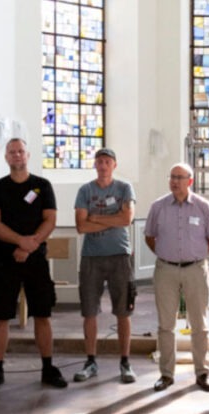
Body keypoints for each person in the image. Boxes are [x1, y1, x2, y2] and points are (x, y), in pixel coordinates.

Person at [0, 138, 68, 390]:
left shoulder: (42, 185)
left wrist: (31, 245)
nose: (16, 155)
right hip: (2, 262)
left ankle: (48, 367)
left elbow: (50, 219)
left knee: (43, 314)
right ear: (6, 157)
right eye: (11, 152)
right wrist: (21, 242)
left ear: (28, 155)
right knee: (1, 317)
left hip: (35, 260)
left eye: (20, 151)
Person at [144, 163, 209, 392]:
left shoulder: (203, 206)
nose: (175, 181)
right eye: (172, 177)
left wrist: (195, 257)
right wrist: (166, 255)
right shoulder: (158, 207)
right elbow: (150, 237)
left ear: (190, 181)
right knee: (165, 325)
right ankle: (166, 374)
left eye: (180, 177)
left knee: (199, 324)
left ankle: (202, 373)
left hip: (195, 270)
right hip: (165, 270)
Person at [73, 148, 138, 384]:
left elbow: (126, 219)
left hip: (119, 256)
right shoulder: (85, 190)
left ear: (114, 165)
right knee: (89, 311)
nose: (103, 166)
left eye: (107, 162)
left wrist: (95, 218)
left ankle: (125, 362)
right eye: (99, 162)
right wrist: (110, 219)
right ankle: (90, 361)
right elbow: (81, 226)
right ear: (95, 165)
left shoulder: (124, 188)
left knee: (123, 311)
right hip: (92, 257)